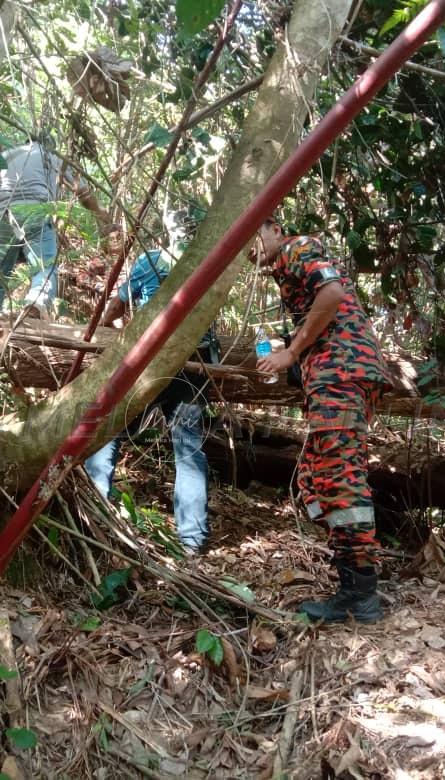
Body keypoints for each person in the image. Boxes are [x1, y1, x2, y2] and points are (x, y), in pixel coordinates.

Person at [249, 217, 392, 623]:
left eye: (254, 237)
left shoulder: (297, 248)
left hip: (341, 372)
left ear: (274, 228)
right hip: (333, 373)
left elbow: (331, 293)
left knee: (340, 478)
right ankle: (353, 579)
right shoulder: (285, 269)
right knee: (316, 477)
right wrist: (298, 360)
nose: (251, 251)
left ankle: (361, 595)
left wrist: (292, 353)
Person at [84, 229, 217, 555]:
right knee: (188, 452)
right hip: (192, 367)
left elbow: (115, 309)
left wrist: (114, 331)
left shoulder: (152, 260)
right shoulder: (212, 262)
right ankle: (192, 540)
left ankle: (93, 515)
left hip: (152, 363)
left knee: (109, 428)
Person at [0, 135, 110, 317]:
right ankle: (36, 305)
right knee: (44, 267)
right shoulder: (51, 157)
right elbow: (81, 191)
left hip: (3, 212)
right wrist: (103, 216)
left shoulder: (7, 155)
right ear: (51, 146)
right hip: (36, 210)